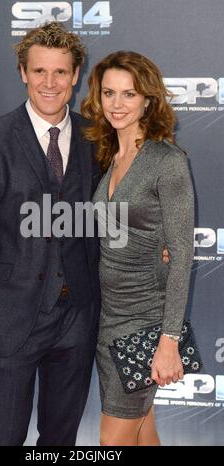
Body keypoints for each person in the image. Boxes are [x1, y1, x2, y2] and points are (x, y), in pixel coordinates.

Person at [0, 22, 102, 446]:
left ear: (75, 76)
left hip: (77, 321)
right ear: (22, 73)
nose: (49, 83)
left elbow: (114, 217)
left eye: (60, 72)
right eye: (39, 72)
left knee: (60, 442)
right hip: (8, 323)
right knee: (2, 437)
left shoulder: (96, 139)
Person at [81, 51, 194, 446]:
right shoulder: (108, 157)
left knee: (113, 441)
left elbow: (181, 257)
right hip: (107, 317)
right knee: (143, 431)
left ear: (147, 100)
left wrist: (169, 341)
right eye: (109, 93)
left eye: (128, 95)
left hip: (144, 321)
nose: (116, 104)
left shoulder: (168, 161)